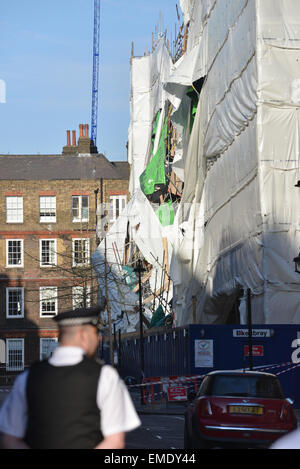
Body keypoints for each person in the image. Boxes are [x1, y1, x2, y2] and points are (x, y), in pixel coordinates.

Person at [0, 306, 141, 449]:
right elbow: (114, 442)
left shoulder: (27, 377)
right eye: (96, 333)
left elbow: (10, 440)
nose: (98, 339)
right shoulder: (105, 376)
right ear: (83, 335)